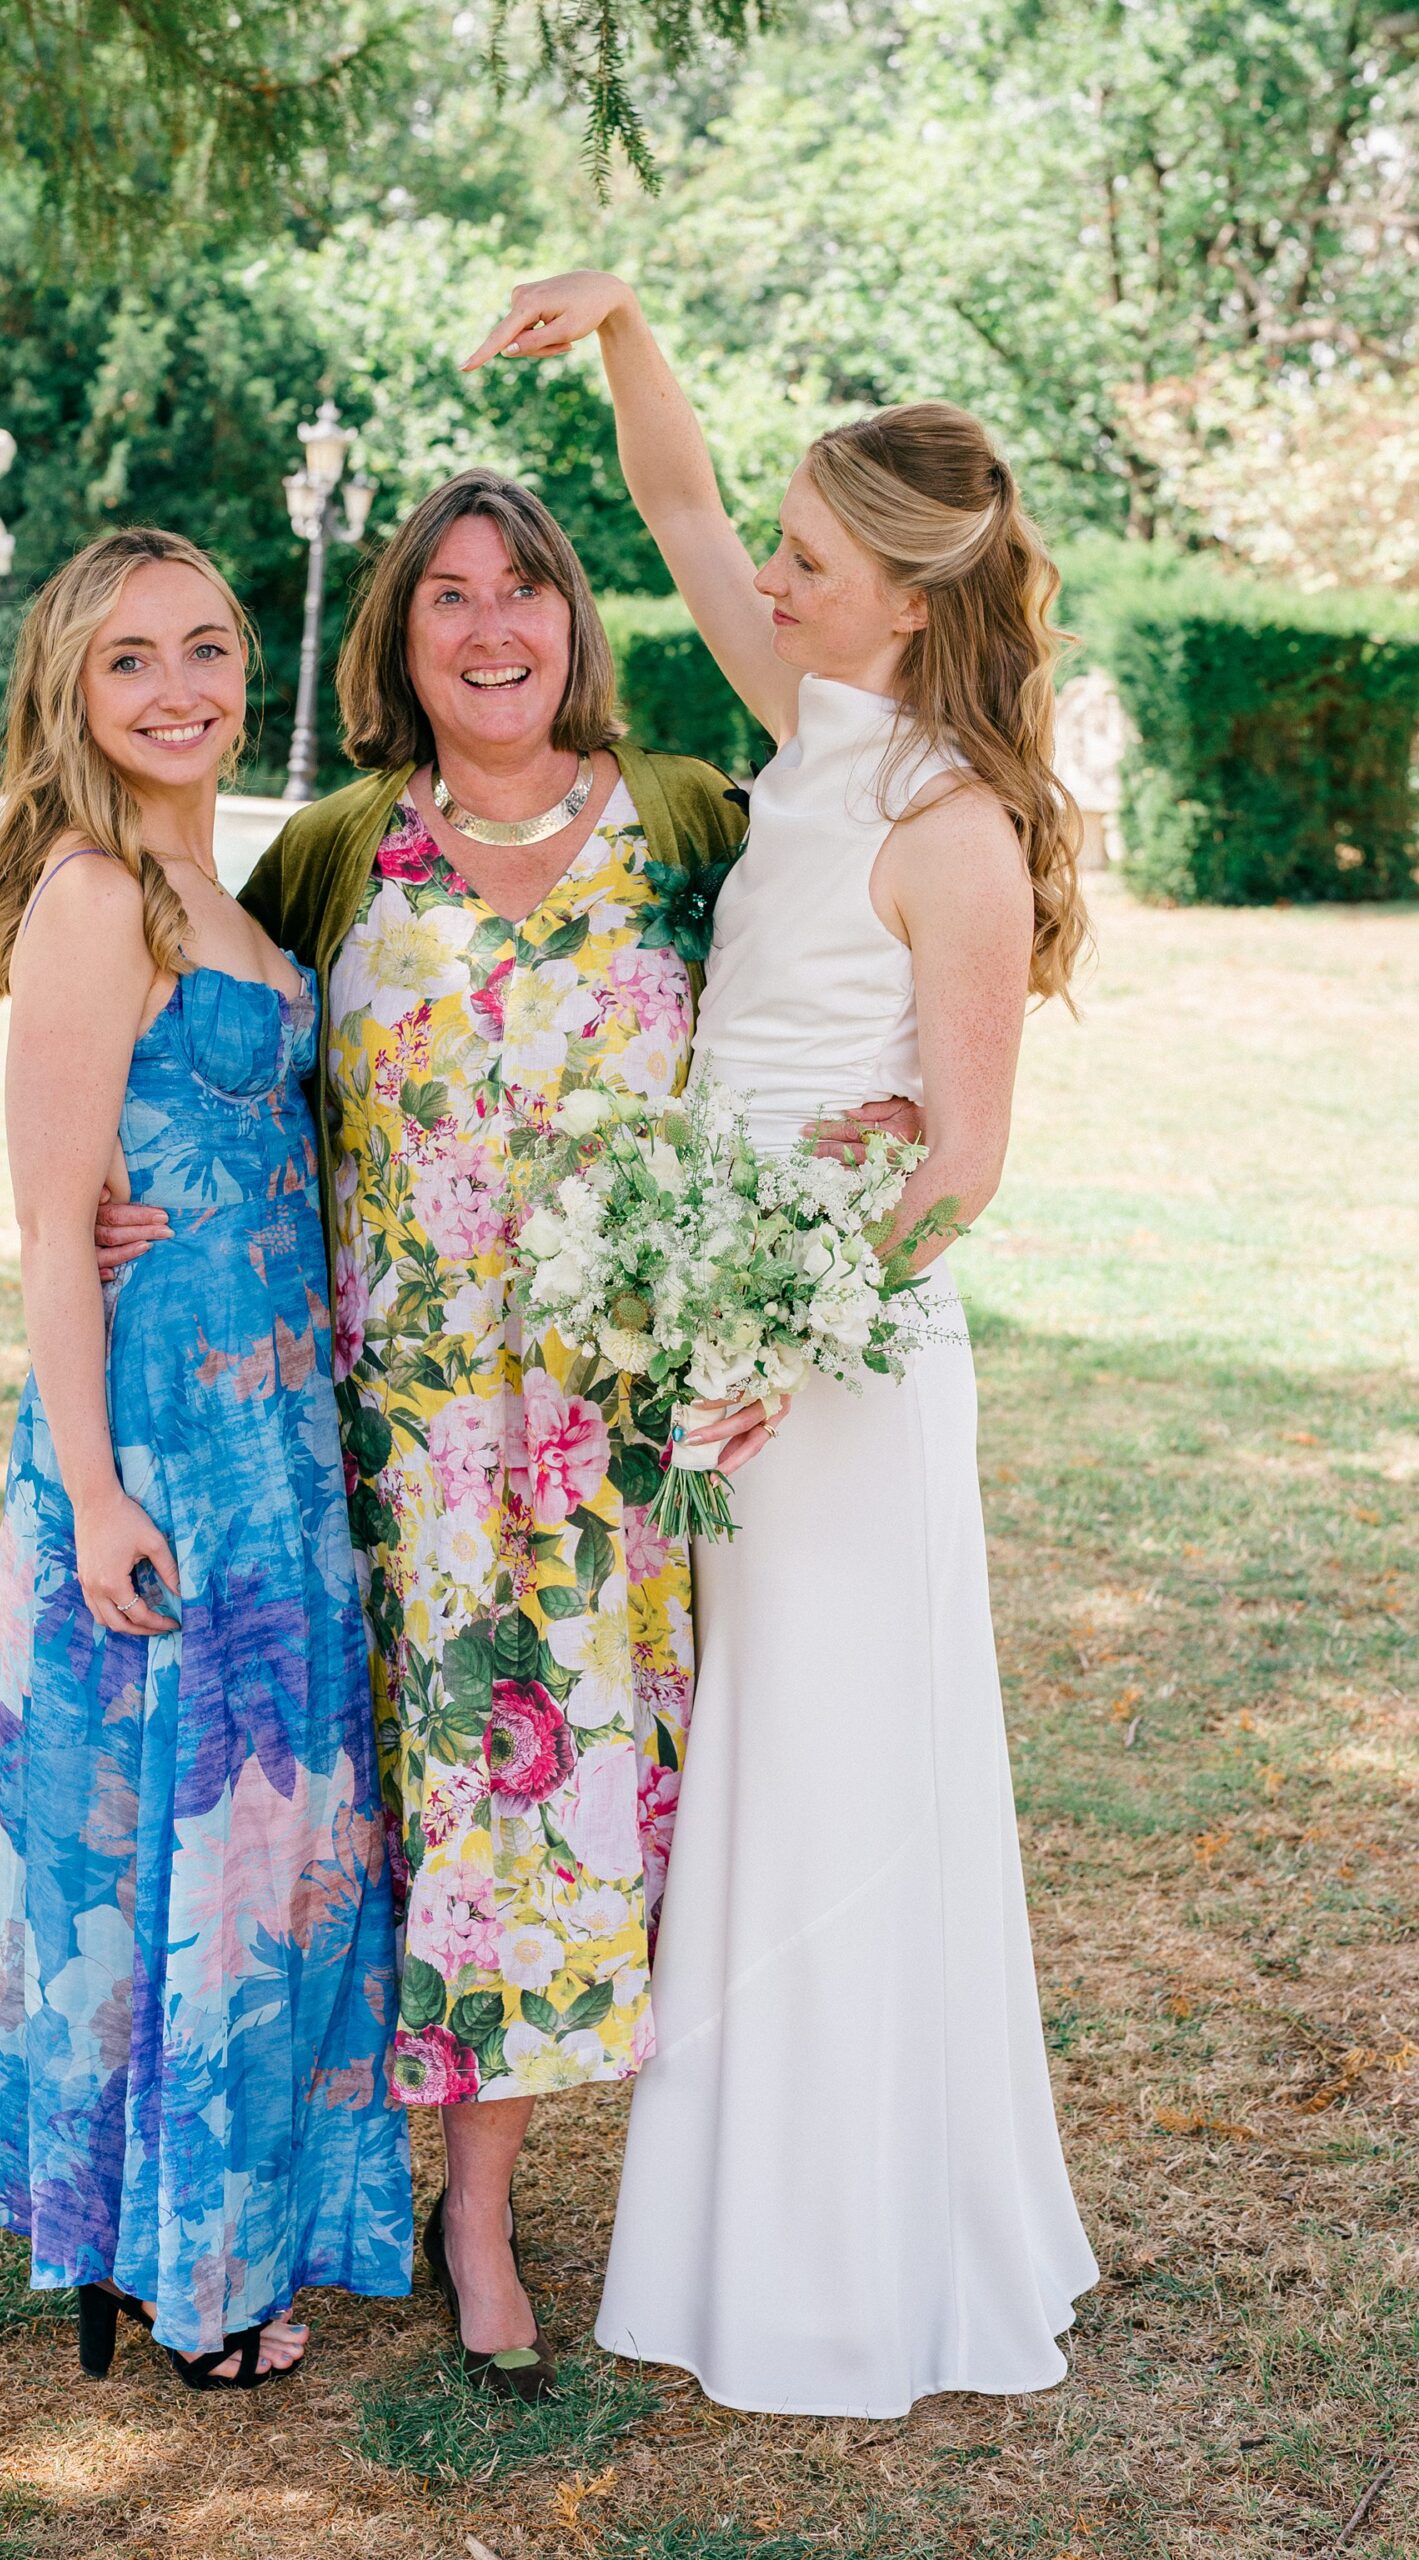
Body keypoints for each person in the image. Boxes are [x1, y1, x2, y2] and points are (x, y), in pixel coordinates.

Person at [463, 277, 1100, 2417]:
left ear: (898, 606)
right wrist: (632, 324)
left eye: (811, 561)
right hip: (722, 1331)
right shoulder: (811, 720)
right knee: (756, 1768)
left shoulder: (950, 829)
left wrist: (775, 1336)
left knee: (843, 1781)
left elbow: (959, 1168)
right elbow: (669, 494)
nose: (768, 577)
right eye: (783, 553)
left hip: (830, 1364)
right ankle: (739, 2212)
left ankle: (856, 2257)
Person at [95, 469, 763, 2399]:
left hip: (592, 1458)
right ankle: (305, 2181)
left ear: (574, 618)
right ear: (399, 642)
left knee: (526, 1826)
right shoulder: (332, 848)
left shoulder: (692, 826)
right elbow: (203, 1034)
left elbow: (825, 995)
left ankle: (474, 2211)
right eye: (447, 597)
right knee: (345, 1817)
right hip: (361, 1438)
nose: (491, 629)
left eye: (524, 591)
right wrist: (144, 1200)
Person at [0, 527, 411, 2393]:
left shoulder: (221, 891)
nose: (180, 688)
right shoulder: (93, 895)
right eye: (132, 657)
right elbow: (52, 1222)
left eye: (209, 648)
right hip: (158, 1442)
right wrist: (97, 1486)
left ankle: (225, 2224)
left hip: (279, 1440)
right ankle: (178, 2266)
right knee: (176, 1854)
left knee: (274, 1850)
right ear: (72, 688)